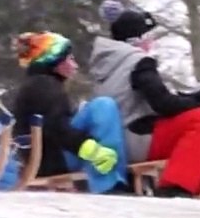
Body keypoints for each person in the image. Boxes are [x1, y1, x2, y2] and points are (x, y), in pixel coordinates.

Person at [88, 7, 200, 197]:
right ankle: (177, 185)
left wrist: (188, 99)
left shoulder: (110, 62)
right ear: (137, 38)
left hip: (115, 140)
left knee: (199, 126)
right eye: (149, 37)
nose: (152, 43)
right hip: (136, 138)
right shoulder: (139, 61)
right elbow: (162, 103)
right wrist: (198, 101)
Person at [12, 32, 124, 193]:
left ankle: (110, 175)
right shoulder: (45, 86)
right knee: (103, 106)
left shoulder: (38, 84)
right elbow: (55, 127)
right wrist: (92, 150)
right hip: (51, 159)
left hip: (44, 156)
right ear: (54, 61)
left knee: (89, 108)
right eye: (70, 59)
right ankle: (108, 180)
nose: (75, 65)